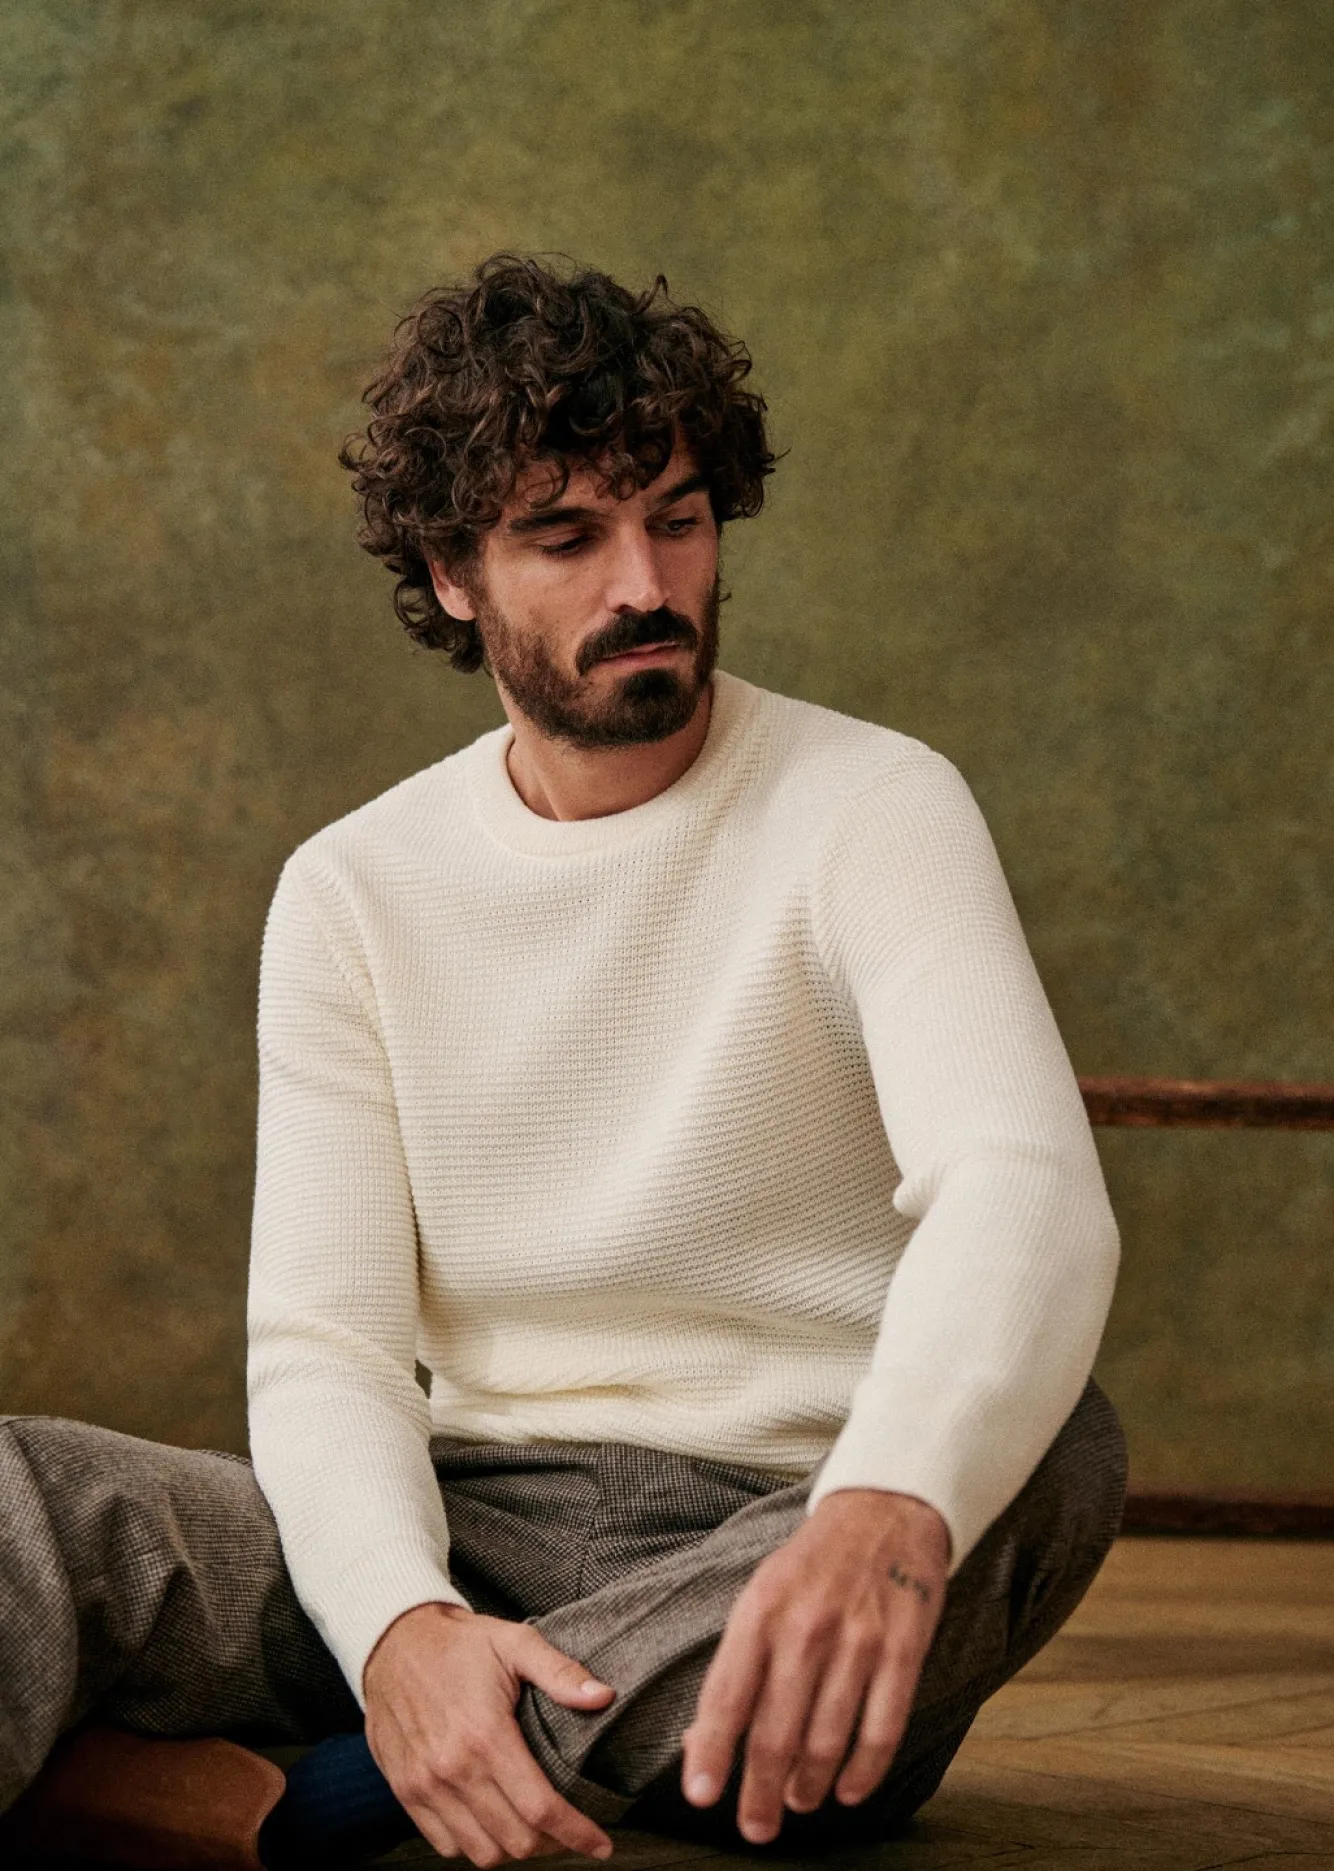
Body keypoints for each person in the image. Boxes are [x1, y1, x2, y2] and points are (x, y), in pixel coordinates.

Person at [0, 254, 1125, 1870]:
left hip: (779, 1536)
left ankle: (320, 1807)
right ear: (451, 574)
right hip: (460, 1523)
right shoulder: (352, 887)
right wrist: (401, 1621)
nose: (644, 583)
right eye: (565, 536)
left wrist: (887, 1497)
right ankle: (447, 1734)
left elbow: (1024, 1192)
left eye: (677, 518)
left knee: (1046, 1451)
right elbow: (326, 1345)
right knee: (25, 1498)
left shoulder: (875, 806)